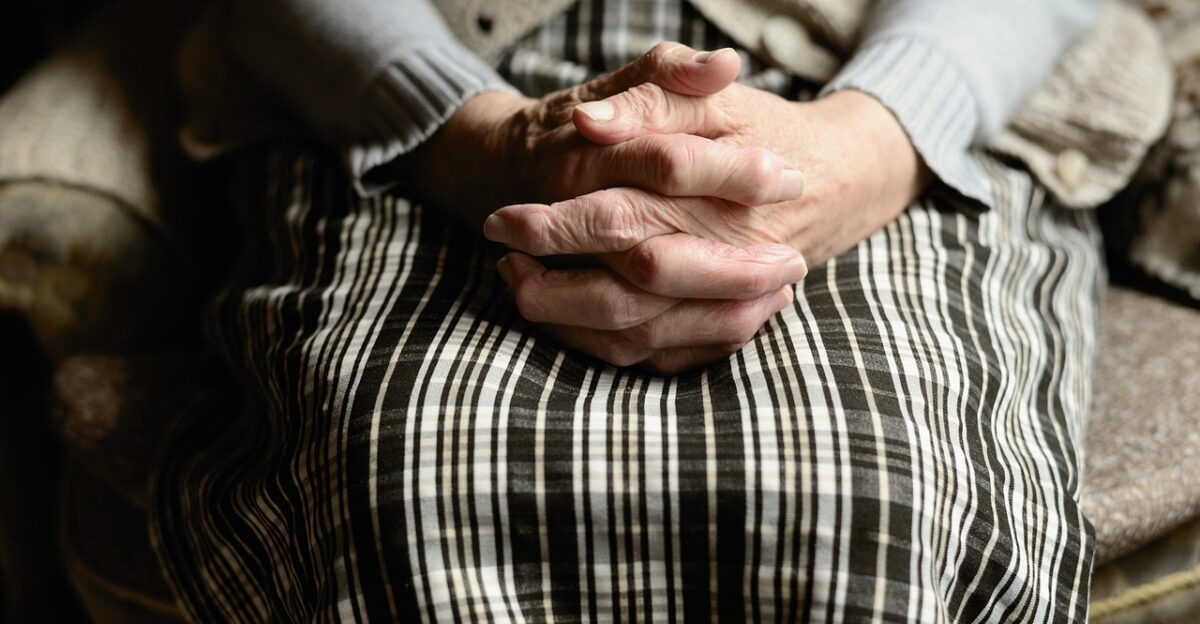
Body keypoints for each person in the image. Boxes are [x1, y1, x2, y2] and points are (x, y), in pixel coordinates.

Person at [152, 0, 1122, 621]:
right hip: (431, 92)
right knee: (401, 486)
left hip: (879, 86)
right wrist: (475, 137)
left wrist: (866, 143)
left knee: (878, 497)